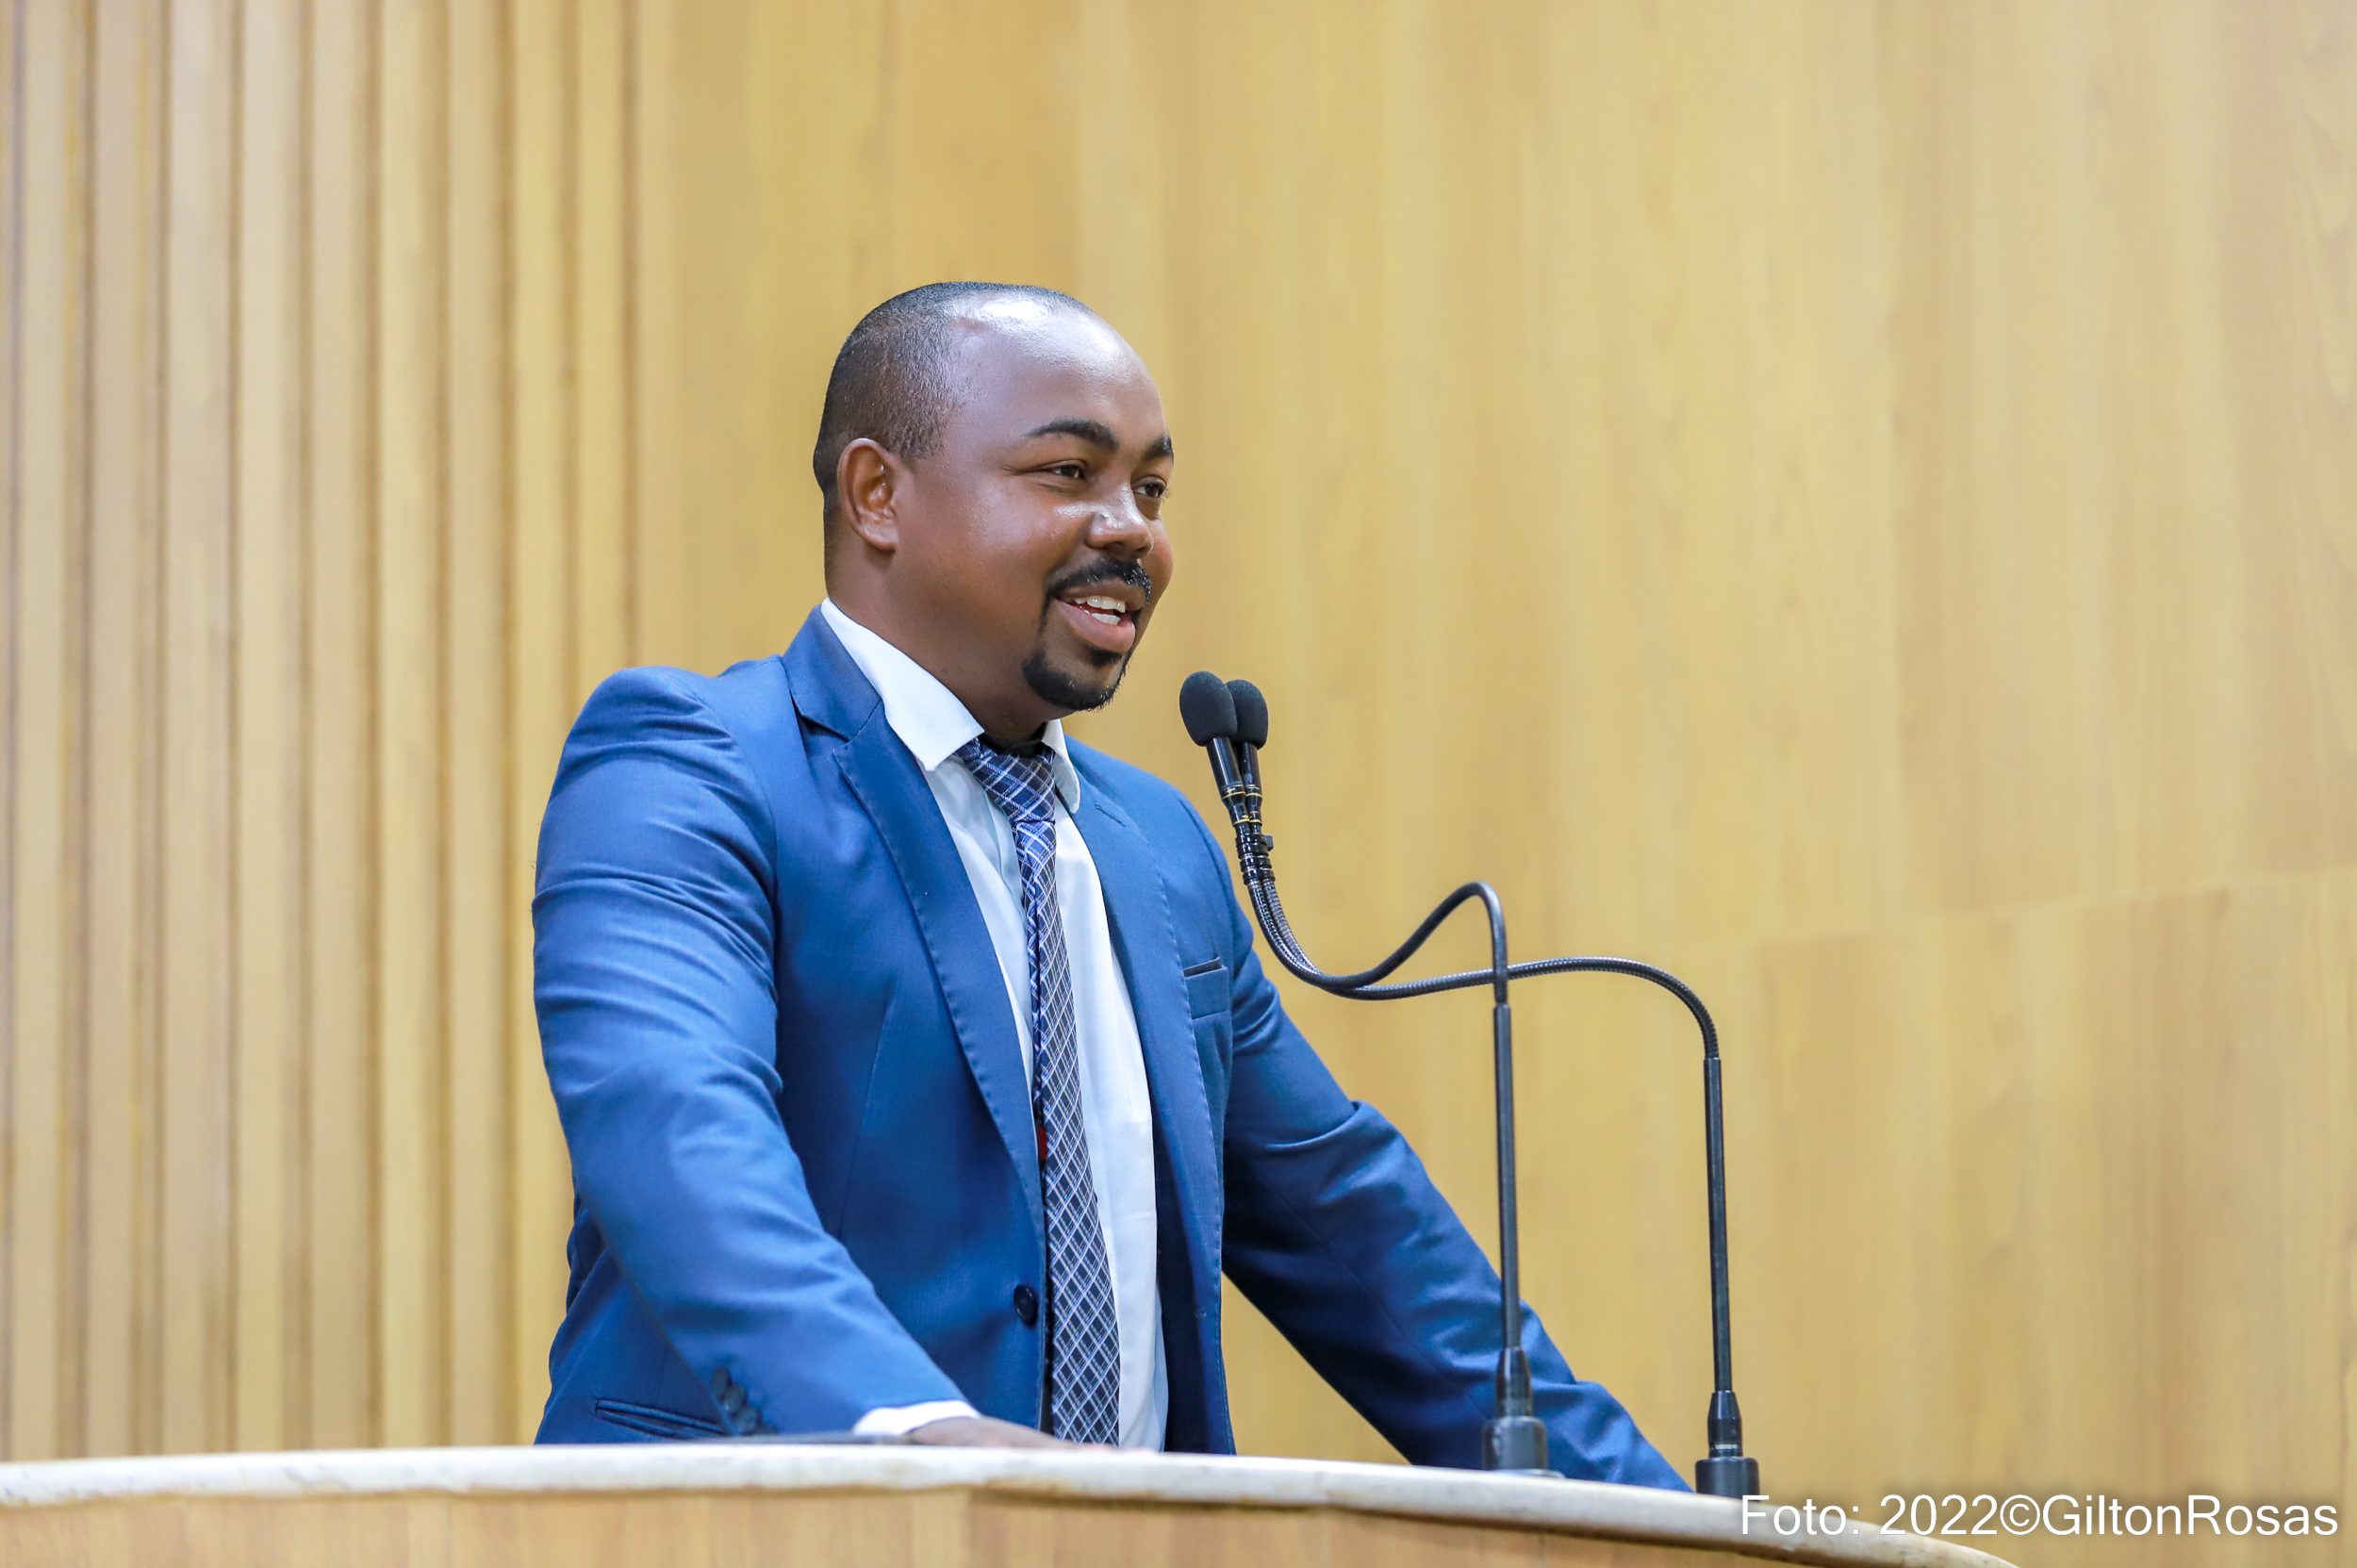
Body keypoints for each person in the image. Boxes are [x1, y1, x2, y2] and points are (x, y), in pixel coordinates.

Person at [531, 281, 1682, 1485]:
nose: (1132, 529)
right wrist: (910, 1431)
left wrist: (1683, 1526)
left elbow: (1357, 1232)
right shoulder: (693, 765)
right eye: (1069, 473)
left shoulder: (1156, 845)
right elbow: (677, 1130)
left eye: (1152, 489)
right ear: (877, 495)